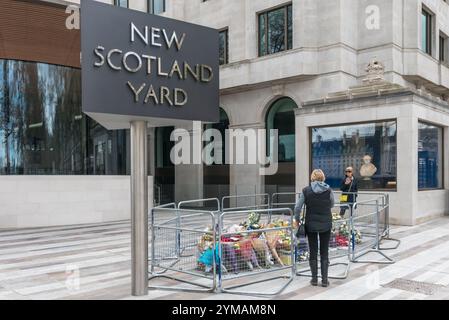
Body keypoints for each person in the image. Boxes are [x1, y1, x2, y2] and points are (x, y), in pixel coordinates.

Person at [294, 169, 335, 287]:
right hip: (326, 223)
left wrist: (297, 220)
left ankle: (314, 280)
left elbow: (297, 208)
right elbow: (332, 204)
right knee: (324, 251)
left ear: (312, 178)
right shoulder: (329, 190)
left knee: (313, 251)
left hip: (310, 224)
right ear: (323, 178)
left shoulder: (306, 191)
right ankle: (325, 280)